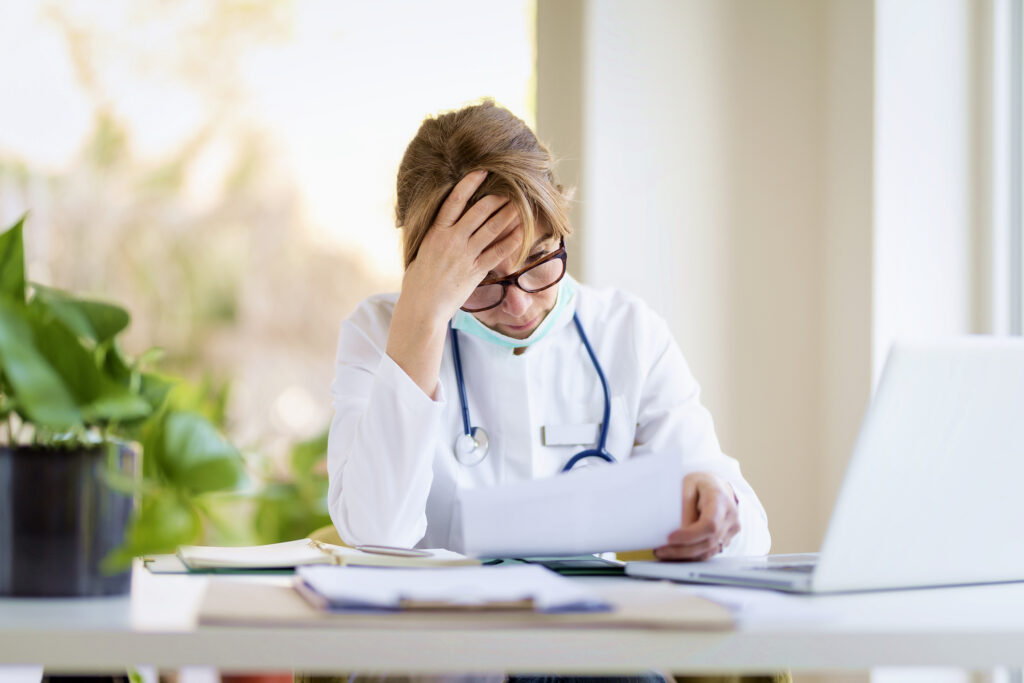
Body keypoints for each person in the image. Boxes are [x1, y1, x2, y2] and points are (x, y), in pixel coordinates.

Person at [326, 99, 771, 562]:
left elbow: (750, 542)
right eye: (480, 280)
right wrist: (422, 319)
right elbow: (376, 536)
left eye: (537, 261)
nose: (518, 303)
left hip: (583, 629)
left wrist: (717, 509)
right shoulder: (380, 333)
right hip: (438, 631)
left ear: (561, 224)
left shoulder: (629, 334)